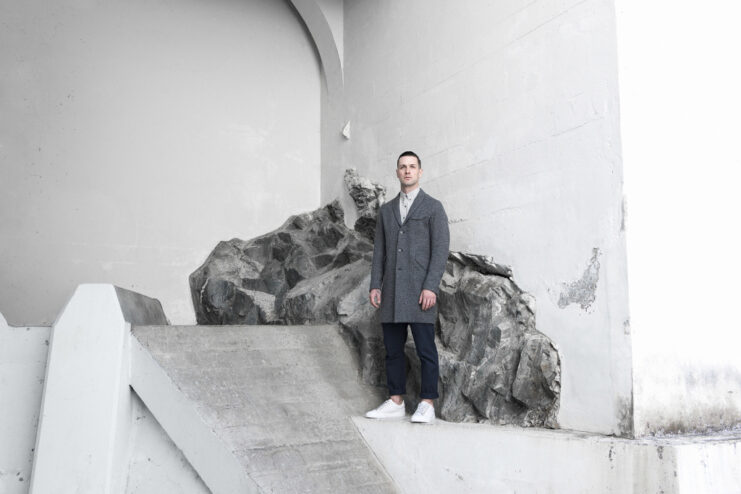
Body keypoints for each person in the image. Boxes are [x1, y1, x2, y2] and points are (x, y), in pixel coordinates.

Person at [365, 150, 450, 424]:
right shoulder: (386, 210)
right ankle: (396, 401)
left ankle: (427, 403)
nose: (407, 171)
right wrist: (375, 285)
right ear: (397, 172)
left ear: (420, 172)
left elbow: (440, 250)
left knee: (426, 350)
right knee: (392, 350)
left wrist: (431, 287)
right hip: (391, 290)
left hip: (420, 291)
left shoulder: (433, 207)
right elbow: (380, 251)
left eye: (412, 166)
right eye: (403, 167)